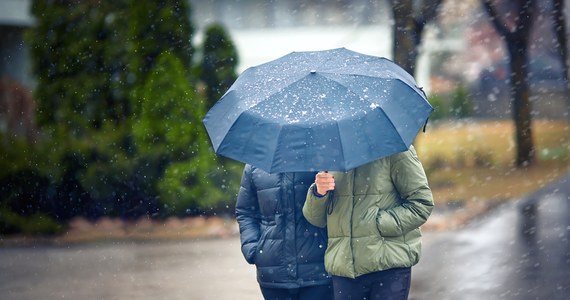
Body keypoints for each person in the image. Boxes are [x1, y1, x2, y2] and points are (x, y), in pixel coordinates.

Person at [302, 145, 434, 300]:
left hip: (388, 265)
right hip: (345, 270)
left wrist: (378, 223)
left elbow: (421, 204)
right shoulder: (331, 155)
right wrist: (319, 192)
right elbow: (316, 219)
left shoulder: (395, 150)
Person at [236, 164, 333, 300]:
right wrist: (252, 248)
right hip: (272, 273)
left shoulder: (320, 159)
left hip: (318, 271)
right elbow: (246, 212)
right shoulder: (255, 165)